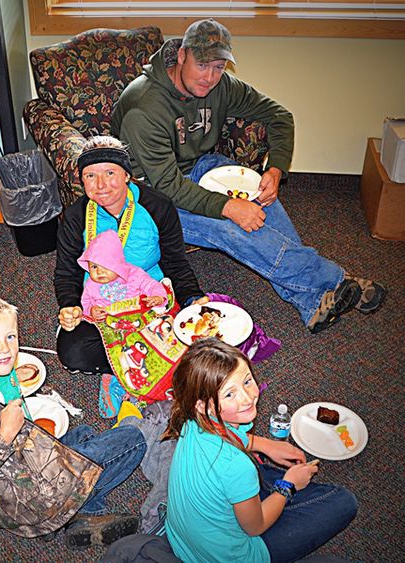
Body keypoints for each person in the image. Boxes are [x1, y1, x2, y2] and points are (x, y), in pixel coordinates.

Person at [111, 18, 386, 334]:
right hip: (146, 196)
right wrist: (228, 208)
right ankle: (336, 281)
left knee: (255, 195)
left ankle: (313, 301)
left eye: (218, 67)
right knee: (230, 225)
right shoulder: (144, 107)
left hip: (196, 168)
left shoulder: (220, 86)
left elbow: (279, 116)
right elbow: (169, 186)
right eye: (203, 65)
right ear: (182, 55)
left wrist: (274, 168)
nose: (211, 77)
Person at [0, 294, 146, 549]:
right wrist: (5, 435)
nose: (5, 349)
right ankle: (76, 513)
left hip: (18, 489)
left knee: (83, 433)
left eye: (10, 337)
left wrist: (14, 385)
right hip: (36, 499)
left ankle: (69, 513)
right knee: (133, 439)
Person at [163, 339, 357, 562]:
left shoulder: (192, 420)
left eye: (247, 381)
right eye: (229, 394)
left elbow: (228, 438)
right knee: (343, 501)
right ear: (203, 405)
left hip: (184, 541)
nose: (247, 398)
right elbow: (256, 527)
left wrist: (265, 445)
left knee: (257, 477)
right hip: (234, 556)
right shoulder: (236, 466)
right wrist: (289, 485)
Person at [55, 135, 206, 375]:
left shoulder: (158, 206)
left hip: (147, 299)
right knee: (73, 353)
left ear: (126, 174)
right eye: (90, 176)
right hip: (100, 306)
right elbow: (66, 272)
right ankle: (145, 364)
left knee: (200, 336)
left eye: (110, 173)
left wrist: (192, 298)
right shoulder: (75, 217)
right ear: (82, 181)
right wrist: (70, 306)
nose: (101, 185)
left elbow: (175, 262)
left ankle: (126, 367)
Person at [78, 229, 167, 320]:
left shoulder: (134, 274)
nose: (99, 272)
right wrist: (91, 311)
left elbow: (151, 285)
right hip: (111, 324)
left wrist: (158, 297)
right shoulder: (90, 284)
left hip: (141, 315)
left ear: (117, 264)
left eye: (105, 266)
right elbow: (85, 303)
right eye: (94, 267)